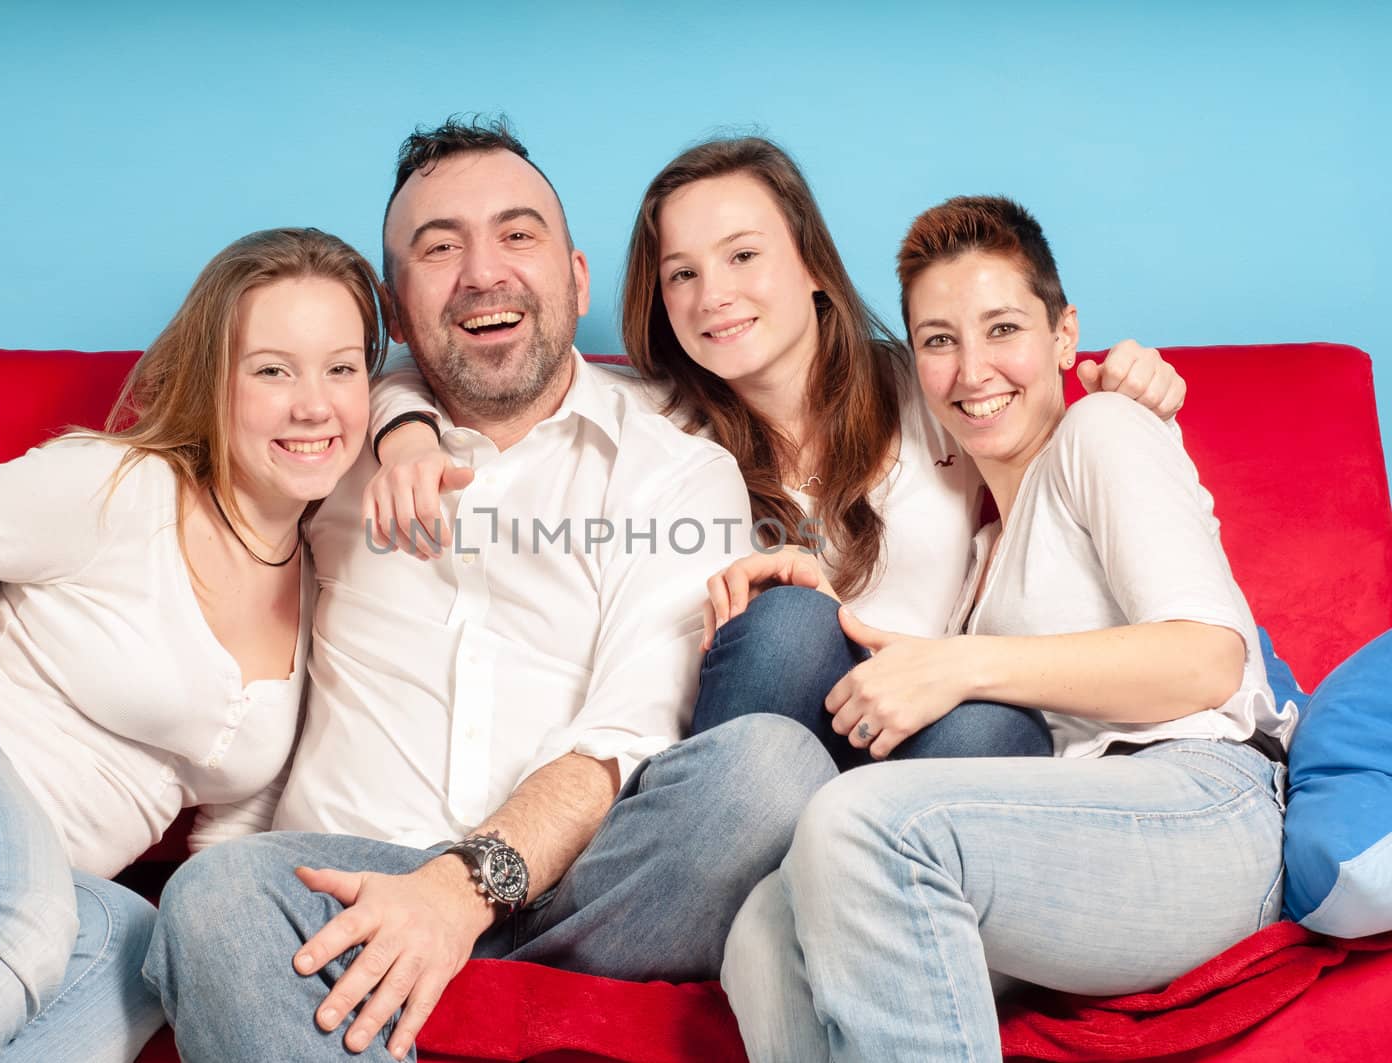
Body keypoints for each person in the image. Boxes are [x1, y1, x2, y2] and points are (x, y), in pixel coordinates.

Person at [141, 117, 832, 1063]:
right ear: (389, 304)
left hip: (581, 892)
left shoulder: (673, 471)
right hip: (347, 874)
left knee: (770, 770)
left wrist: (455, 893)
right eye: (439, 247)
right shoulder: (321, 432)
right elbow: (123, 509)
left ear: (577, 277)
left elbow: (627, 734)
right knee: (212, 899)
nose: (482, 272)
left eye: (517, 235)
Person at [367, 136, 1184, 770]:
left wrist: (1125, 379)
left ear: (813, 266)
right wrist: (403, 427)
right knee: (790, 622)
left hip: (910, 744)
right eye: (680, 273)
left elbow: (1032, 415)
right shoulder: (649, 418)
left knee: (995, 728)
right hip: (746, 759)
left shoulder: (927, 383)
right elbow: (437, 364)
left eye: (743, 256)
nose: (712, 294)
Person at [719, 196, 1295, 1062]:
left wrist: (960, 664)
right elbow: (946, 666)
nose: (973, 368)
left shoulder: (1102, 431)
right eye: (939, 340)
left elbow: (1210, 658)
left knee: (860, 823)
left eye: (1002, 329)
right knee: (764, 921)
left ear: (1064, 337)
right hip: (1065, 842)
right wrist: (825, 592)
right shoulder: (984, 549)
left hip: (1203, 808)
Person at [0, 227, 383, 1061]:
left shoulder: (330, 586)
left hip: (47, 877)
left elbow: (227, 845)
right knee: (12, 902)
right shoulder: (116, 487)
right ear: (215, 383)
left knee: (140, 949)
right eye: (272, 369)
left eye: (341, 367)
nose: (313, 403)